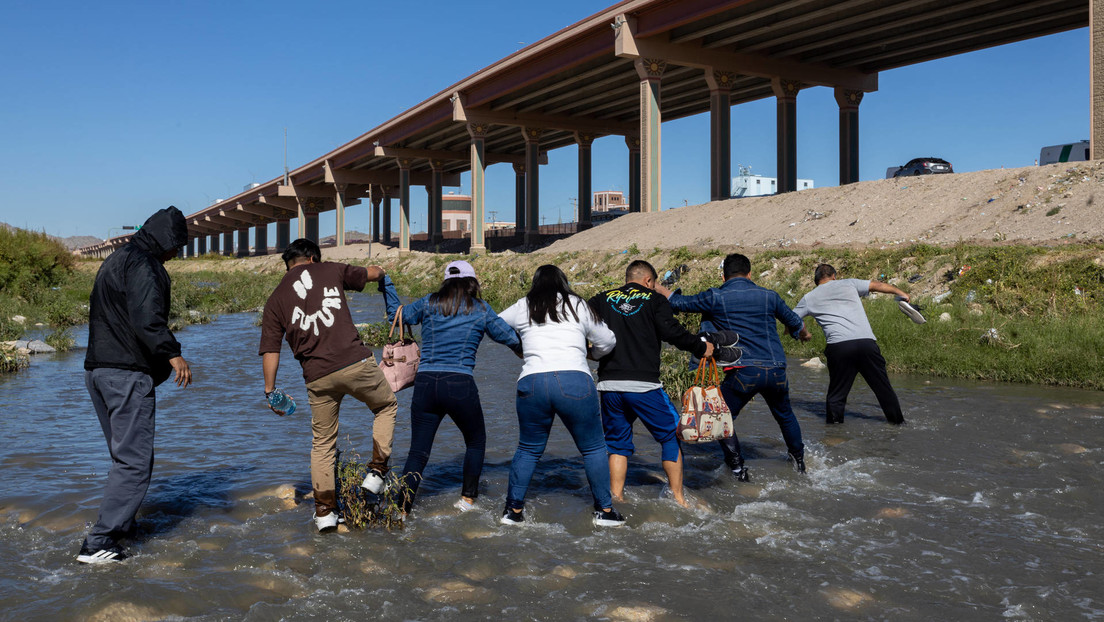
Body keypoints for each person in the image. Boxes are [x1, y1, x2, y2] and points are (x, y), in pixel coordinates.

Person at [258, 238, 399, 532]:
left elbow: (271, 348)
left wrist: (270, 391)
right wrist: (382, 272)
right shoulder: (331, 269)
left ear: (288, 265)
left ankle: (324, 513)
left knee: (322, 444)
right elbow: (370, 273)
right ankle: (376, 473)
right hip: (355, 362)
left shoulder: (275, 299)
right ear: (313, 258)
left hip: (317, 377)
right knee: (386, 406)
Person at [79, 206, 192, 564]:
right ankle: (99, 542)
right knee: (134, 462)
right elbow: (147, 319)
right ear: (166, 240)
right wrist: (173, 354)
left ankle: (122, 526)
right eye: (177, 246)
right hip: (125, 374)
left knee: (123, 456)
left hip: (98, 370)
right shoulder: (145, 265)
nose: (176, 254)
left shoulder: (116, 259)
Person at [381, 260, 521, 514]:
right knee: (475, 442)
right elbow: (509, 337)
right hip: (459, 383)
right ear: (472, 282)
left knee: (418, 451)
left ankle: (401, 509)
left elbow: (397, 315)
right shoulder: (481, 309)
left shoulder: (428, 303)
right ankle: (467, 500)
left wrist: (386, 283)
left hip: (425, 384)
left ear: (446, 282)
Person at [659, 253, 811, 481]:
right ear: (750, 274)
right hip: (776, 369)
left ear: (723, 276)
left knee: (721, 418)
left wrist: (657, 287)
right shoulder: (770, 296)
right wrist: (804, 335)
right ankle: (799, 463)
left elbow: (679, 302)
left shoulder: (715, 296)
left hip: (744, 371)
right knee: (785, 416)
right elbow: (796, 323)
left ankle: (738, 469)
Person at [498, 265, 624, 527]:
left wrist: (517, 345)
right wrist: (593, 354)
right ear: (563, 282)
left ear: (535, 283)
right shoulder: (578, 304)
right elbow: (608, 340)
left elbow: (494, 324)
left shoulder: (524, 305)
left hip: (532, 381)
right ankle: (605, 512)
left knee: (528, 449)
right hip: (574, 379)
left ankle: (513, 511)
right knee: (593, 448)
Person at [590, 260, 713, 508]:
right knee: (672, 436)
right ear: (649, 281)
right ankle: (678, 499)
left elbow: (580, 326)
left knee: (617, 445)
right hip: (643, 385)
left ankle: (616, 498)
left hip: (609, 385)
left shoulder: (601, 299)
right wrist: (701, 347)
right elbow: (672, 332)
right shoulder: (655, 299)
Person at [793, 264, 907, 425]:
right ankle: (898, 424)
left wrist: (803, 334)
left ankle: (834, 432)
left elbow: (792, 319)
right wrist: (901, 293)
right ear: (834, 276)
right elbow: (878, 285)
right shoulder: (849, 283)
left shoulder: (809, 297)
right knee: (883, 388)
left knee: (837, 395)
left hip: (839, 347)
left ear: (816, 281)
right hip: (866, 343)